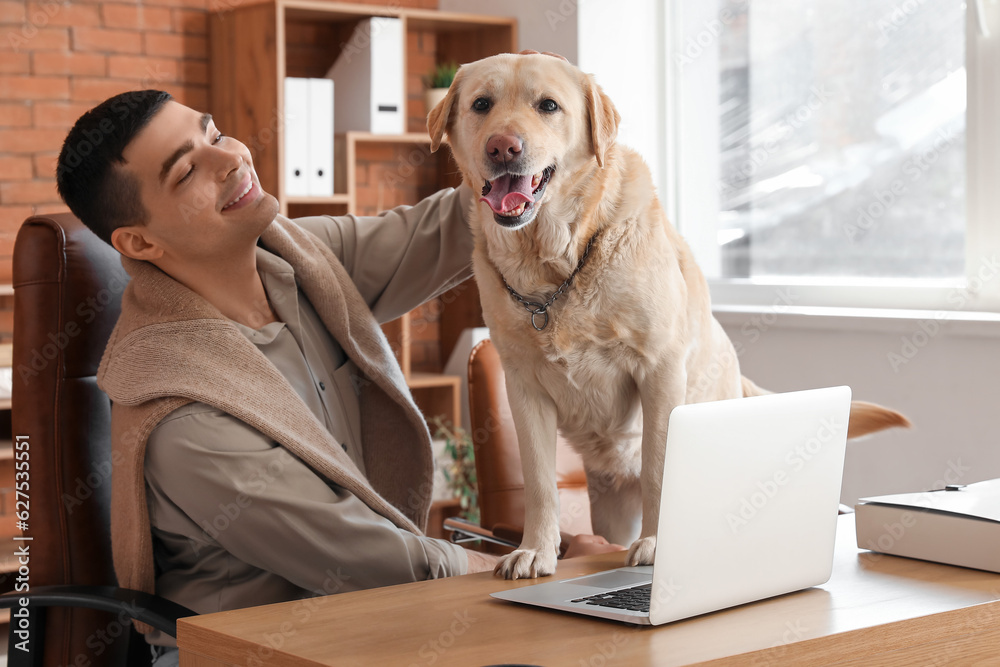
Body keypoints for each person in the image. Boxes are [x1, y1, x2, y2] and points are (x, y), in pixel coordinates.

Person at [55, 87, 621, 666]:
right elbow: (369, 561)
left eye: (215, 132)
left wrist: (539, 136)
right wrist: (558, 571)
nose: (230, 159)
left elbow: (452, 226)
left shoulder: (297, 260)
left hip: (362, 626)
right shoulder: (180, 411)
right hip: (254, 652)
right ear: (139, 242)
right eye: (187, 171)